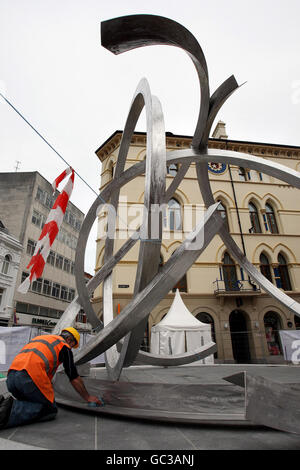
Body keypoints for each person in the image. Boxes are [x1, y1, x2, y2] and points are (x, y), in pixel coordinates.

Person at [0, 327, 103, 429]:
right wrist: (88, 397)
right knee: (49, 410)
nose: (71, 348)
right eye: (72, 345)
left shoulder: (41, 339)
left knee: (31, 400)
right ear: (69, 340)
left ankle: (2, 403)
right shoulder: (64, 346)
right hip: (29, 379)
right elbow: (73, 377)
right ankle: (6, 412)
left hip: (12, 378)